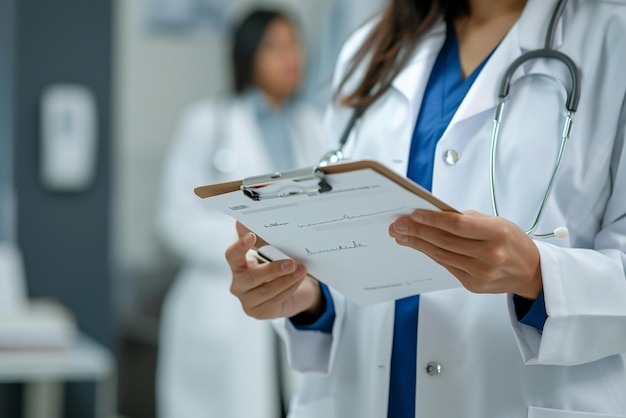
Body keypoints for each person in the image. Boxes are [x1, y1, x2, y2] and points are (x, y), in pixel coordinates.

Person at [225, 0, 626, 417]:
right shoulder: (371, 50)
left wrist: (537, 276)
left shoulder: (611, 39)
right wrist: (306, 297)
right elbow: (347, 247)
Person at [156, 9, 323, 418]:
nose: (291, 57)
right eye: (275, 47)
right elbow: (173, 219)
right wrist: (254, 244)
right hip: (220, 301)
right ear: (247, 55)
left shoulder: (311, 124)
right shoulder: (206, 122)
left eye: (294, 45)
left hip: (294, 294)